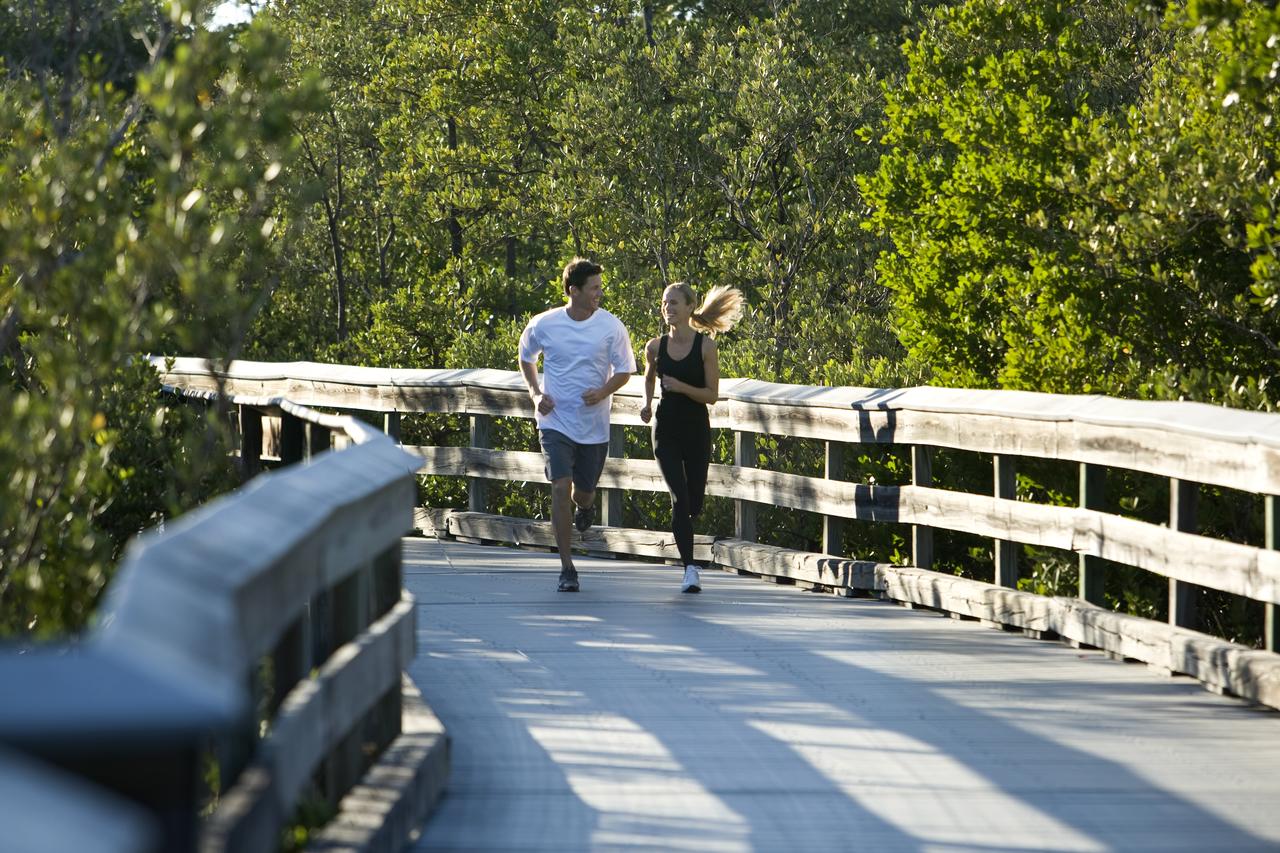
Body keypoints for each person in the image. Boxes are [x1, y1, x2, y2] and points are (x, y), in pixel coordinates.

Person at [519, 257, 637, 592]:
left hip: (593, 426)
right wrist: (535, 392)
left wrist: (603, 392)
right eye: (594, 288)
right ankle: (567, 568)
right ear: (574, 290)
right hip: (554, 420)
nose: (600, 293)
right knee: (560, 487)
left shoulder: (611, 326)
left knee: (581, 493)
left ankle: (585, 506)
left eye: (600, 287)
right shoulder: (545, 324)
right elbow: (526, 356)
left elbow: (625, 370)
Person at [640, 281, 744, 593]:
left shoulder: (706, 347)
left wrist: (681, 387)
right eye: (664, 303)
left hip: (696, 430)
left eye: (674, 303)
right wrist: (647, 404)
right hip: (666, 430)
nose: (667, 308)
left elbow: (711, 395)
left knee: (694, 501)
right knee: (679, 498)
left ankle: (689, 546)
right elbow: (648, 377)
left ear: (689, 307)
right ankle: (689, 569)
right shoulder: (655, 347)